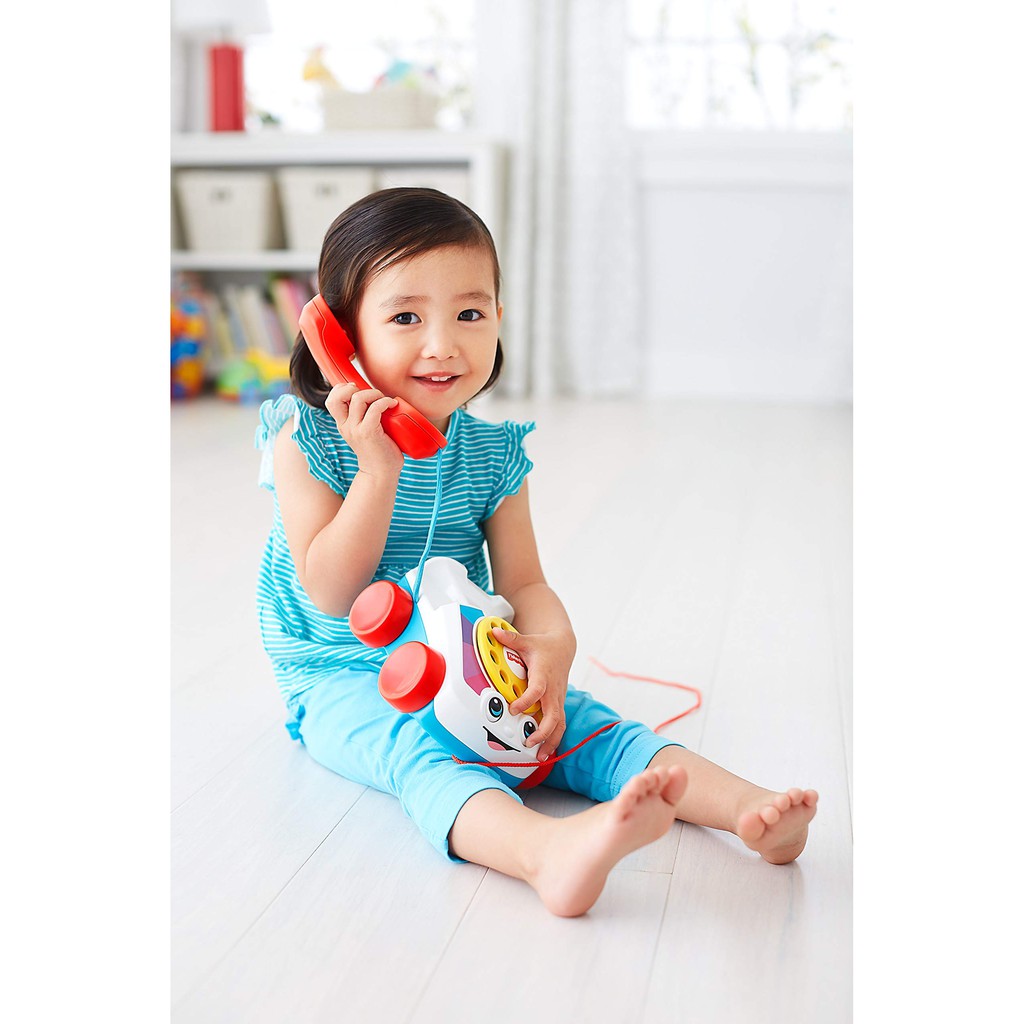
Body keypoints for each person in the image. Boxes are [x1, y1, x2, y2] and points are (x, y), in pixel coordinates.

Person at [255, 188, 818, 917]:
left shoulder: (492, 455)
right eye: (405, 318)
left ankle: (747, 809)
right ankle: (543, 852)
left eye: (470, 314)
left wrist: (553, 645)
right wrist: (378, 472)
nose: (443, 343)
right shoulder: (306, 439)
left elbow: (524, 583)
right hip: (341, 674)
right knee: (417, 754)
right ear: (340, 337)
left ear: (498, 316)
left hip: (465, 651)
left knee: (583, 724)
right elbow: (332, 591)